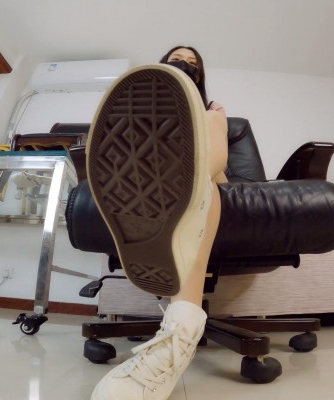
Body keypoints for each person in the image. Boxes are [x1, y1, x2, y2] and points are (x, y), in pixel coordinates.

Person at [86, 45, 228, 400]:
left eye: (193, 64)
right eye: (178, 60)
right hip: (157, 182)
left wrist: (208, 127)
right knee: (189, 185)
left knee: (205, 178)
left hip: (212, 183)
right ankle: (172, 190)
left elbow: (220, 167)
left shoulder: (213, 110)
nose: (186, 65)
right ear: (163, 65)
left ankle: (178, 337)